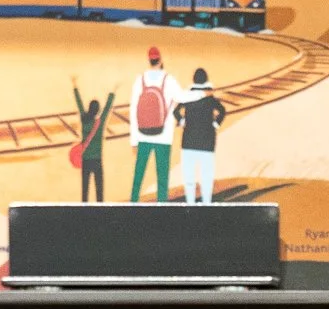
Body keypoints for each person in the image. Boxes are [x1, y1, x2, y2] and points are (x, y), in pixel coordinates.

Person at [127, 45, 185, 203]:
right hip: (163, 137)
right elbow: (182, 97)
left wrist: (133, 140)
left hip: (143, 134)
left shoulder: (140, 80)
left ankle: (133, 203)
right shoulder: (169, 79)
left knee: (138, 175)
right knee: (162, 178)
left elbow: (133, 110)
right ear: (160, 61)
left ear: (149, 60)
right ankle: (161, 209)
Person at [175, 64, 228, 204]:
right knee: (206, 177)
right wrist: (215, 124)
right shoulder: (210, 98)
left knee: (189, 179)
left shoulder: (187, 97)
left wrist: (182, 122)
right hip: (207, 142)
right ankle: (206, 203)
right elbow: (222, 111)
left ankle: (191, 204)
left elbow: (176, 112)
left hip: (189, 142)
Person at [70, 81, 113, 203]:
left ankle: (84, 214)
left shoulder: (84, 120)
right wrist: (112, 92)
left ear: (89, 109)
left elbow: (79, 104)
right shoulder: (100, 122)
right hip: (97, 160)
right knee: (99, 191)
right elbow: (107, 108)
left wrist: (75, 86)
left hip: (86, 160)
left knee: (85, 191)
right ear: (98, 110)